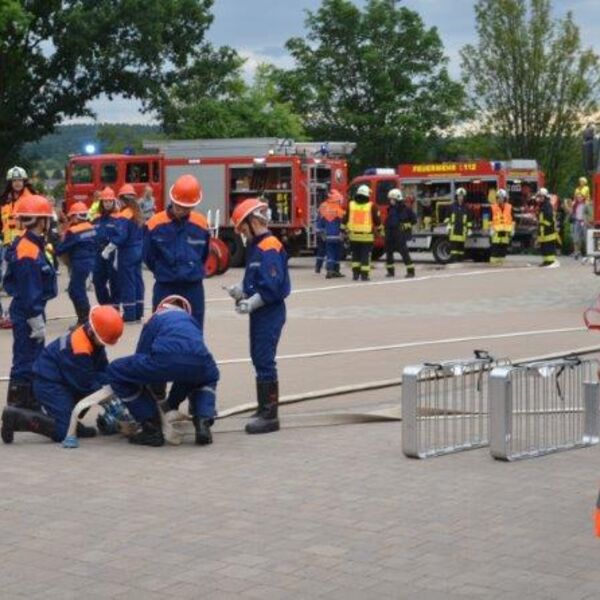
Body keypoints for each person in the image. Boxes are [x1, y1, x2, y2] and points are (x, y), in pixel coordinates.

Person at [106, 295, 219, 447]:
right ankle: (203, 420)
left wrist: (150, 394)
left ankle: (151, 428)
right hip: (198, 361)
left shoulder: (156, 318)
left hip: (165, 359)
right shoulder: (191, 320)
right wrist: (171, 405)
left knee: (116, 370)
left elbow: (142, 354)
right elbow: (188, 362)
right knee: (208, 375)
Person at [0, 305, 124, 444]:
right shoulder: (80, 348)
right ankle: (15, 417)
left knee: (95, 385)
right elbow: (86, 384)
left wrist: (116, 383)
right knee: (63, 432)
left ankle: (72, 422)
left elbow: (102, 370)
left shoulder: (92, 338)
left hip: (62, 377)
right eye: (103, 341)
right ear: (93, 332)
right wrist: (109, 400)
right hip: (48, 383)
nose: (104, 345)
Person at [227, 198, 291, 434]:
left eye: (243, 228)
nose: (243, 234)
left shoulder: (269, 246)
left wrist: (251, 303)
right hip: (262, 311)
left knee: (264, 359)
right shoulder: (257, 246)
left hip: (270, 311)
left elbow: (272, 286)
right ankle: (263, 406)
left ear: (254, 222)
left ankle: (269, 415)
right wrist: (240, 292)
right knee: (257, 356)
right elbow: (254, 281)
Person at [3, 194, 58, 408]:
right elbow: (29, 289)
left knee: (30, 357)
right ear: (40, 221)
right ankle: (18, 405)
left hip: (30, 308)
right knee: (26, 359)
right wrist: (35, 317)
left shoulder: (33, 243)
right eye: (46, 218)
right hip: (28, 311)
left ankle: (26, 400)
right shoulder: (28, 249)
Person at [144, 174, 209, 328]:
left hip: (193, 286)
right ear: (172, 200)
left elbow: (204, 254)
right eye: (179, 206)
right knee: (162, 329)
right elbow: (148, 256)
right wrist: (165, 270)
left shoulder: (201, 223)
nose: (181, 210)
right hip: (166, 285)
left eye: (186, 208)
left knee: (194, 330)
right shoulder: (155, 224)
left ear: (193, 206)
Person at [0, 166, 36, 330]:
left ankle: (24, 314)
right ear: (10, 182)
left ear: (24, 181)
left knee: (24, 282)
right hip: (7, 246)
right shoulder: (4, 201)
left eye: (19, 180)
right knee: (6, 281)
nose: (17, 183)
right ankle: (4, 315)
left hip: (25, 246)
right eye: (14, 180)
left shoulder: (33, 200)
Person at [103, 184, 144, 322]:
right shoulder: (137, 213)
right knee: (138, 281)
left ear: (122, 199)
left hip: (127, 252)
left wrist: (108, 248)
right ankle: (138, 311)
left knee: (128, 283)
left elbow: (121, 236)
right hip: (138, 249)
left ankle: (129, 314)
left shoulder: (124, 215)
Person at [55, 202, 97, 325]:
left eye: (72, 216)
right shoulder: (91, 227)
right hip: (90, 261)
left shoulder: (73, 231)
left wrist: (54, 246)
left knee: (76, 291)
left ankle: (84, 320)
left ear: (75, 216)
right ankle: (84, 318)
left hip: (79, 262)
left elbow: (61, 249)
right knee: (78, 289)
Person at [344, 184, 381, 281]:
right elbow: (377, 221)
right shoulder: (371, 206)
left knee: (355, 256)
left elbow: (345, 219)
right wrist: (380, 231)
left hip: (353, 236)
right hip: (366, 237)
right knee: (365, 256)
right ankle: (364, 275)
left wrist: (342, 230)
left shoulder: (351, 205)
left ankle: (355, 275)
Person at [92, 187, 120, 308]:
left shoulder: (118, 218)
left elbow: (120, 236)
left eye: (110, 201)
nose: (107, 203)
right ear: (101, 202)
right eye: (105, 201)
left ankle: (115, 304)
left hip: (112, 252)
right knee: (97, 280)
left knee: (115, 281)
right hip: (98, 253)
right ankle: (105, 305)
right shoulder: (96, 219)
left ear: (113, 202)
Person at [384, 188, 416, 278]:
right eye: (390, 199)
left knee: (404, 253)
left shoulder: (405, 209)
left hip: (400, 235)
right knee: (389, 253)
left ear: (397, 199)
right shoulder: (390, 209)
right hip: (390, 234)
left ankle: (411, 271)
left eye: (392, 199)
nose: (390, 201)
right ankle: (390, 272)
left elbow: (414, 220)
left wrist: (405, 226)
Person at [317, 189, 346, 278]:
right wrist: (345, 234)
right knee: (337, 253)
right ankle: (336, 270)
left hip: (327, 236)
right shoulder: (340, 210)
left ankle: (329, 270)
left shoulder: (323, 207)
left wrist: (320, 232)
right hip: (338, 236)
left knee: (330, 253)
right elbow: (344, 223)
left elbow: (320, 222)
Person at [490, 189, 514, 266]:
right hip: (496, 233)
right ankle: (494, 264)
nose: (500, 199)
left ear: (505, 198)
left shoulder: (509, 207)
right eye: (498, 198)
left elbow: (512, 220)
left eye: (501, 197)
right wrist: (490, 229)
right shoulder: (493, 207)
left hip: (506, 232)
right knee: (495, 249)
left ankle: (501, 265)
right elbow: (490, 220)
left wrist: (512, 230)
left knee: (503, 249)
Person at [536, 187, 559, 267]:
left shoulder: (547, 205)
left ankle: (551, 261)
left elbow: (549, 218)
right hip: (543, 230)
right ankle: (546, 261)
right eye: (539, 196)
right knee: (544, 246)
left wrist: (542, 224)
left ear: (545, 197)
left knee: (548, 246)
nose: (539, 198)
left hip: (548, 230)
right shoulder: (543, 205)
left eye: (541, 196)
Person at [447, 187, 470, 262]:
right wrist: (448, 225)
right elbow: (447, 217)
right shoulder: (452, 206)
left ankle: (460, 262)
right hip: (453, 231)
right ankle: (454, 261)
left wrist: (469, 229)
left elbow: (469, 219)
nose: (460, 198)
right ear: (456, 197)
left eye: (462, 196)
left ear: (464, 197)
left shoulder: (467, 208)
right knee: (453, 249)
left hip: (462, 232)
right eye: (459, 196)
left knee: (461, 249)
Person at [570, 193, 591, 259]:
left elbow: (589, 213)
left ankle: (586, 252)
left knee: (585, 237)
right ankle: (577, 252)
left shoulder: (586, 205)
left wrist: (587, 221)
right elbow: (572, 212)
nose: (579, 198)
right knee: (576, 237)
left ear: (583, 198)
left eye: (580, 197)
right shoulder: (575, 205)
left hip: (583, 222)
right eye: (578, 197)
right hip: (577, 222)